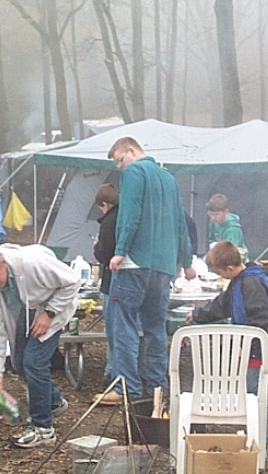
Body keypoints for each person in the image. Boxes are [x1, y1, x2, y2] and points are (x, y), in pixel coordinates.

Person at [94, 137, 196, 405]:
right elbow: (180, 223)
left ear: (131, 150)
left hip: (134, 263)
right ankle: (158, 387)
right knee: (155, 328)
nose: (119, 167)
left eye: (119, 159)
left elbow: (130, 214)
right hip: (164, 267)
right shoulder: (168, 178)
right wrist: (186, 262)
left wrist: (120, 251)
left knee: (123, 324)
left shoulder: (134, 172)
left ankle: (127, 387)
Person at [0, 244, 81, 448]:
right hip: (26, 313)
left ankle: (42, 428)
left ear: (3, 263)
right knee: (20, 363)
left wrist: (49, 313)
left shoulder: (33, 264)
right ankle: (53, 401)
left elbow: (73, 281)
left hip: (53, 310)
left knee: (34, 362)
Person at [185, 241, 268, 457]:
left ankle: (267, 439)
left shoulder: (250, 284)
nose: (219, 275)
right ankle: (255, 430)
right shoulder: (239, 281)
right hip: (255, 349)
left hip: (262, 349)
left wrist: (247, 344)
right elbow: (222, 304)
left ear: (229, 269)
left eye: (219, 272)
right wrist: (198, 315)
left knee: (262, 393)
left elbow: (263, 318)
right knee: (253, 391)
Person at [93, 183, 119, 387]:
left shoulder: (108, 222)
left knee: (113, 330)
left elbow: (104, 254)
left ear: (104, 204)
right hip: (128, 282)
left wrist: (96, 247)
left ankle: (111, 372)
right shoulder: (126, 217)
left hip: (111, 283)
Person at [206, 193, 249, 261]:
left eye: (216, 214)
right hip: (219, 255)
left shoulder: (233, 229)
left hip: (236, 261)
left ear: (226, 211)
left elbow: (231, 253)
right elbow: (212, 240)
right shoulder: (213, 222)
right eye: (210, 214)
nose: (213, 217)